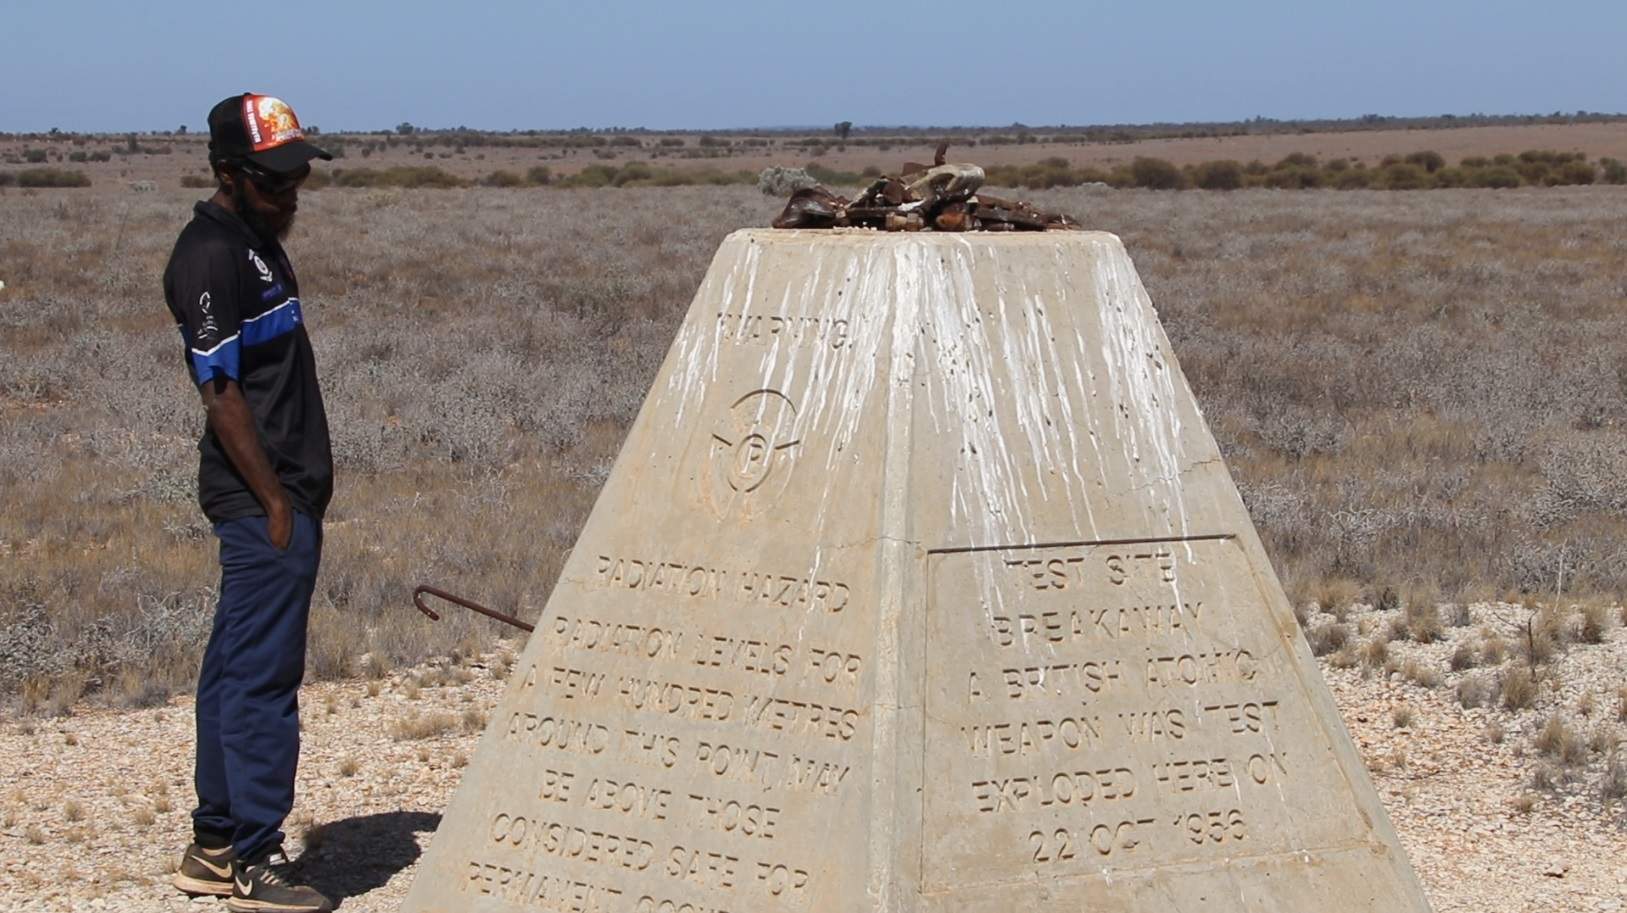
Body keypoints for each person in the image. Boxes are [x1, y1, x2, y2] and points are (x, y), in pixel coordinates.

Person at [163, 92, 335, 913]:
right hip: (262, 498)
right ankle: (259, 861)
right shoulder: (208, 256)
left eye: (298, 174)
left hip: (280, 492)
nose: (291, 190)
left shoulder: (257, 239)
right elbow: (220, 389)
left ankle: (214, 840)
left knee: (233, 667)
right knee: (265, 678)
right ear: (228, 173)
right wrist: (273, 502)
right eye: (274, 179)